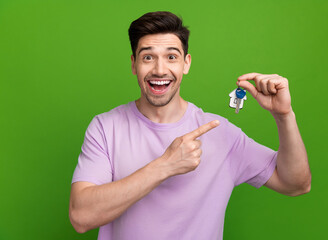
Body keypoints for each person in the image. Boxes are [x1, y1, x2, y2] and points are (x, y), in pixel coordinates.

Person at [69, 11, 311, 240]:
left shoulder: (221, 133)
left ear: (186, 63)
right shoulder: (105, 127)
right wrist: (165, 166)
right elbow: (81, 217)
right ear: (134, 64)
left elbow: (296, 184)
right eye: (148, 57)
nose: (160, 69)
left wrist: (284, 116)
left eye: (171, 57)